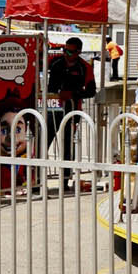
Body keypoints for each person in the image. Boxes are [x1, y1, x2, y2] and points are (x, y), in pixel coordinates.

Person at [45, 36, 96, 188]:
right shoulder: (55, 62)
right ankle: (37, 179)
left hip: (72, 109)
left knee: (68, 144)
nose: (66, 53)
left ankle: (65, 179)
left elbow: (91, 91)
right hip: (52, 108)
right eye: (65, 50)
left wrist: (73, 95)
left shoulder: (84, 67)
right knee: (44, 141)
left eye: (70, 51)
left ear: (78, 52)